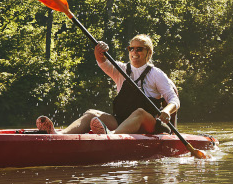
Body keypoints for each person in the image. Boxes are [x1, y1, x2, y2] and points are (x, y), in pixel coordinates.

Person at [37, 34, 180, 135]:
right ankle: (59, 135)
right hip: (121, 121)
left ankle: (111, 136)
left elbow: (174, 99)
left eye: (139, 49)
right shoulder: (121, 70)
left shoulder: (156, 74)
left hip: (148, 125)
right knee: (91, 113)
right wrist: (99, 50)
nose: (134, 52)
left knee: (140, 112)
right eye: (131, 48)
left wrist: (167, 111)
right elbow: (102, 61)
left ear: (148, 52)